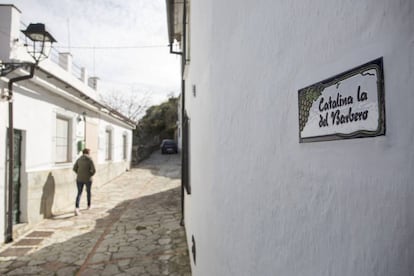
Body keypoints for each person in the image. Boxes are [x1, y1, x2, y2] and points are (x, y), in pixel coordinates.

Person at [73, 148, 96, 216]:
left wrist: (79, 173)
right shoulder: (90, 160)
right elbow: (94, 170)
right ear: (88, 153)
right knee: (88, 192)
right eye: (89, 152)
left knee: (79, 193)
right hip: (88, 179)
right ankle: (89, 205)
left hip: (79, 179)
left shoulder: (79, 159)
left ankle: (77, 208)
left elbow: (74, 168)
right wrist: (90, 175)